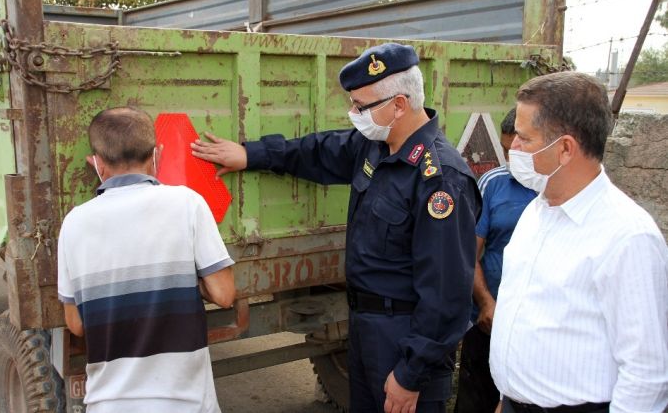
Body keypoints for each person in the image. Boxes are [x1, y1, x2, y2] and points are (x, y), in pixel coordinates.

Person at [191, 43, 481, 413]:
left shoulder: (439, 180)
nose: (353, 114)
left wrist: (411, 373)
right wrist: (250, 154)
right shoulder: (377, 146)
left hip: (404, 339)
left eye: (361, 106)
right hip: (364, 327)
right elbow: (316, 151)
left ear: (399, 104)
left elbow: (446, 295)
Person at [489, 72, 668, 413]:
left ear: (565, 149)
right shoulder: (537, 210)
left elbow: (646, 375)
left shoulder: (628, 237)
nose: (513, 148)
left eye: (524, 139)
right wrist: (507, 397)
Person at [57, 107, 236, 413]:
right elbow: (224, 294)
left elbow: (75, 324)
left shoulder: (74, 223)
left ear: (98, 164)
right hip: (187, 405)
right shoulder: (188, 204)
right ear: (158, 155)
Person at [454, 108, 536, 413]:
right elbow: (469, 253)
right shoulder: (492, 183)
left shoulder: (561, 195)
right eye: (505, 150)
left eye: (520, 148)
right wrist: (487, 303)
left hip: (533, 332)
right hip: (490, 323)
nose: (512, 158)